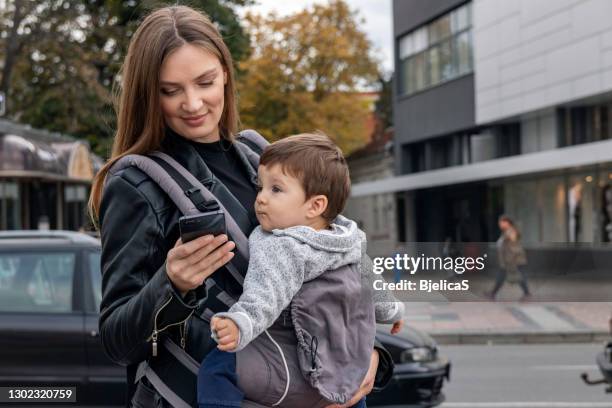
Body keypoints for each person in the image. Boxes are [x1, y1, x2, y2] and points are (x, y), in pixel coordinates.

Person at [88, 6, 394, 407]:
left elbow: (335, 274)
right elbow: (117, 341)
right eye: (170, 90)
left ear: (226, 75)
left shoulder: (264, 159)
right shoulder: (136, 184)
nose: (193, 103)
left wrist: (370, 357)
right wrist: (172, 283)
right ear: (148, 93)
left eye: (205, 82)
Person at [197, 134, 404, 408]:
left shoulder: (282, 245)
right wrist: (393, 311)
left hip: (285, 372)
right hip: (339, 369)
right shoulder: (348, 239)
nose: (260, 199)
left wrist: (239, 324)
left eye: (276, 190)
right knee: (354, 394)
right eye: (261, 188)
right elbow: (370, 284)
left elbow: (265, 294)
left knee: (217, 367)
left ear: (315, 205)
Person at [488, 215, 530, 301]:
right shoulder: (506, 232)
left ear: (507, 223)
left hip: (514, 259)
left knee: (518, 275)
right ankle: (493, 293)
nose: (499, 224)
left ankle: (527, 293)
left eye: (501, 222)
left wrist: (511, 259)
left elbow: (514, 247)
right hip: (508, 259)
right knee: (504, 275)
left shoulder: (511, 232)